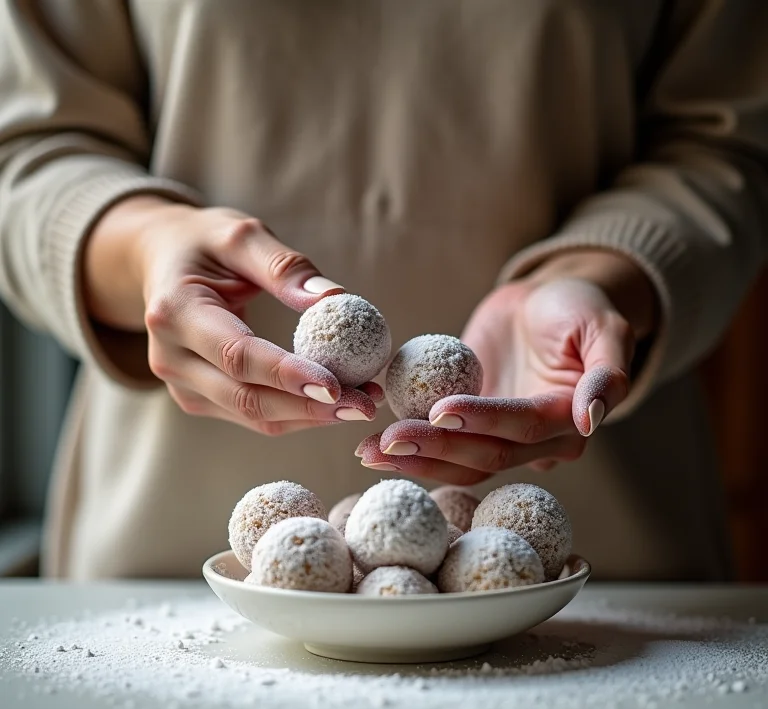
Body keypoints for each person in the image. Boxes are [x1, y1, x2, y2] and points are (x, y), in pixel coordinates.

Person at [0, 0, 766, 580]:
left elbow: (728, 138)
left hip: (595, 547)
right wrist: (141, 249)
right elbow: (27, 147)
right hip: (171, 552)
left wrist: (603, 275)